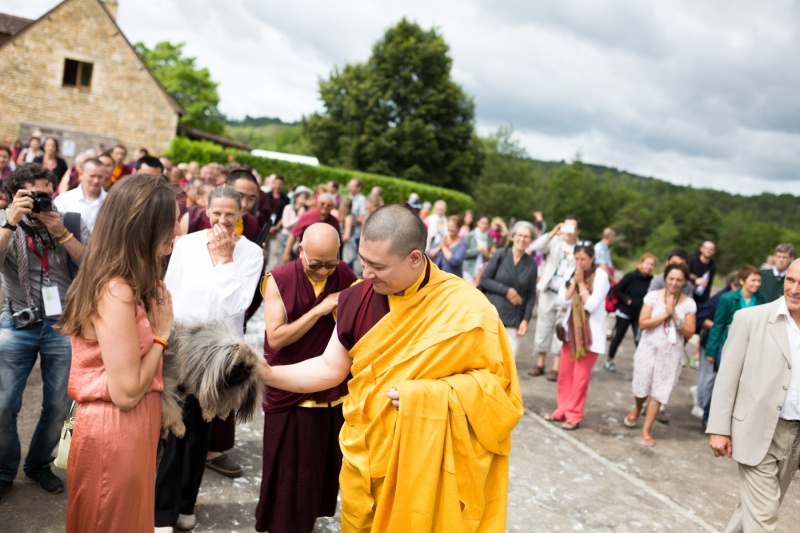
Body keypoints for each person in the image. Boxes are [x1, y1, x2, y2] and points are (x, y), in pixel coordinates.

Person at [259, 204, 523, 531]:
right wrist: (268, 373)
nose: (366, 273)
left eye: (378, 266)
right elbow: (330, 368)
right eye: (363, 260)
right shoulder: (357, 298)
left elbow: (502, 395)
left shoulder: (467, 310)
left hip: (424, 464)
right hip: (364, 457)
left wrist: (428, 396)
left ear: (415, 258)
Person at [59, 174, 178, 531]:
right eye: (170, 223)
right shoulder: (116, 290)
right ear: (144, 228)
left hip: (132, 427)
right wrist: (161, 336)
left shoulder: (127, 282)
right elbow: (125, 393)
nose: (177, 230)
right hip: (116, 428)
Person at [155, 185, 263, 531]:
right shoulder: (186, 244)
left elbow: (238, 306)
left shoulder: (250, 253)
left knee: (200, 430)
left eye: (230, 214)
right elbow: (169, 289)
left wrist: (225, 260)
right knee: (173, 426)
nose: (222, 221)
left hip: (218, 352)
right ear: (206, 210)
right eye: (216, 213)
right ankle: (162, 512)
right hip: (181, 343)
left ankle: (186, 505)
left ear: (241, 213)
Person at [256, 223, 357, 533]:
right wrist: (320, 310)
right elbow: (276, 340)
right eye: (316, 264)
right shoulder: (279, 279)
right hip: (287, 383)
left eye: (331, 263)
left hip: (329, 389)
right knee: (286, 467)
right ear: (300, 251)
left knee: (318, 466)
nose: (324, 271)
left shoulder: (347, 277)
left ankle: (307, 521)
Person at [0, 164, 89, 502]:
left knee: (57, 405)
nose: (40, 202)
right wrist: (11, 221)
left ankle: (38, 464)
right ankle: (4, 470)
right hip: (16, 322)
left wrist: (62, 233)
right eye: (32, 195)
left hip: (62, 323)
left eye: (45, 195)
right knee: (3, 404)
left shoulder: (70, 220)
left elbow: (93, 266)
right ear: (15, 196)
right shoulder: (4, 220)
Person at [707, 259, 800, 533]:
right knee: (764, 519)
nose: (794, 289)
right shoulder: (750, 318)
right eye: (791, 280)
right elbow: (727, 377)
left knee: (755, 509)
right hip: (757, 431)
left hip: (795, 437)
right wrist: (719, 429)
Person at [625, 263, 696, 446]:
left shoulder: (689, 303)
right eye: (671, 278)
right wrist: (666, 314)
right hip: (648, 349)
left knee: (659, 392)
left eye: (679, 279)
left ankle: (646, 430)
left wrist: (675, 315)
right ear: (665, 278)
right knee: (642, 388)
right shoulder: (653, 297)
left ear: (685, 282)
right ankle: (638, 407)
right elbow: (643, 323)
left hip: (671, 354)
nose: (674, 282)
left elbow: (689, 332)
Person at [543, 242, 611, 430]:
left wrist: (581, 283)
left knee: (580, 378)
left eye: (583, 259)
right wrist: (574, 281)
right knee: (564, 375)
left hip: (589, 336)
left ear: (592, 258)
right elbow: (562, 300)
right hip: (570, 331)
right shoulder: (571, 270)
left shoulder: (602, 276)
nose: (579, 263)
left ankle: (574, 415)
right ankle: (561, 410)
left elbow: (591, 305)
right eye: (577, 258)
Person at [528, 216, 582, 381]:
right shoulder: (555, 241)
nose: (568, 231)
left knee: (560, 329)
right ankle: (540, 363)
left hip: (566, 295)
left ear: (578, 231)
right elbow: (536, 246)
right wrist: (553, 231)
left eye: (572, 228)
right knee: (543, 327)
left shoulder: (580, 248)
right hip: (548, 290)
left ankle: (555, 368)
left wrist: (572, 297)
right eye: (566, 227)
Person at [478, 221, 537, 358]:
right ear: (513, 236)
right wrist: (506, 291)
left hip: (513, 320)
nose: (522, 239)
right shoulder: (500, 254)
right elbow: (484, 280)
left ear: (531, 240)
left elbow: (531, 294)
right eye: (519, 235)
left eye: (526, 236)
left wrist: (526, 319)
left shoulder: (531, 264)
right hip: (493, 315)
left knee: (506, 366)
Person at [692, 271, 739, 424]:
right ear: (734, 285)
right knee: (708, 377)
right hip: (710, 343)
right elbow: (701, 317)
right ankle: (701, 405)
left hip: (725, 344)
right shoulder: (721, 297)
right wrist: (721, 328)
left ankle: (703, 401)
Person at [705, 266, 765, 372]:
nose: (757, 284)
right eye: (753, 280)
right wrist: (711, 351)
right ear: (742, 281)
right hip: (728, 345)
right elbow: (718, 325)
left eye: (759, 281)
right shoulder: (727, 298)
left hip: (750, 348)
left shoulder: (761, 298)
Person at [604, 253, 657, 372]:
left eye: (652, 265)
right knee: (618, 337)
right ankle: (609, 360)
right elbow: (617, 290)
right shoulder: (631, 276)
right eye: (647, 263)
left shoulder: (652, 280)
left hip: (640, 316)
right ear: (641, 263)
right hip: (624, 313)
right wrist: (627, 300)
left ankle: (641, 364)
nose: (649, 267)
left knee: (639, 340)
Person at [282, 193, 339, 265]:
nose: (325, 206)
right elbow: (293, 235)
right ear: (317, 203)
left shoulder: (334, 222)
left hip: (326, 263)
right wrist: (287, 253)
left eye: (329, 205)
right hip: (305, 258)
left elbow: (338, 242)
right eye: (322, 203)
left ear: (333, 207)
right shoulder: (306, 216)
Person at [53, 158, 107, 233]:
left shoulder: (111, 201)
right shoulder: (64, 200)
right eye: (92, 176)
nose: (96, 181)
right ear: (81, 174)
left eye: (100, 177)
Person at [263, 175, 291, 271]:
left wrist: (276, 227)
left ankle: (269, 271)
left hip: (276, 228)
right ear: (273, 184)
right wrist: (268, 226)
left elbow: (284, 215)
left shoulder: (286, 199)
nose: (278, 186)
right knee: (262, 247)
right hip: (265, 226)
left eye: (280, 184)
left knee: (275, 250)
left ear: (283, 185)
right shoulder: (267, 195)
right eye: (276, 183)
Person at [280, 186, 312, 263]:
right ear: (296, 198)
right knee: (286, 261)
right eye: (302, 198)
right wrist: (298, 217)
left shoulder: (307, 210)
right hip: (286, 237)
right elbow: (286, 225)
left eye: (305, 199)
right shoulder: (288, 208)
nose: (303, 201)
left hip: (299, 240)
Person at [462, 215, 490, 285]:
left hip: (481, 272)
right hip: (468, 270)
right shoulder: (470, 236)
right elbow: (463, 253)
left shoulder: (489, 239)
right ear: (478, 223)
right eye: (482, 223)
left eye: (486, 223)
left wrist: (487, 254)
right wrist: (477, 250)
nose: (484, 225)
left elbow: (490, 257)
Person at [688, 240, 717, 305]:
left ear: (714, 251)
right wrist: (694, 281)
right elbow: (682, 277)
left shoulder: (712, 266)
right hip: (689, 297)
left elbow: (709, 285)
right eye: (706, 248)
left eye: (711, 249)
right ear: (701, 249)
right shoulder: (692, 261)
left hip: (702, 300)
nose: (709, 250)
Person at [339, 197, 358, 269]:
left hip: (348, 246)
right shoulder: (351, 217)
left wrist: (338, 243)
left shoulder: (348, 218)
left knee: (347, 266)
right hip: (349, 245)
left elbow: (347, 236)